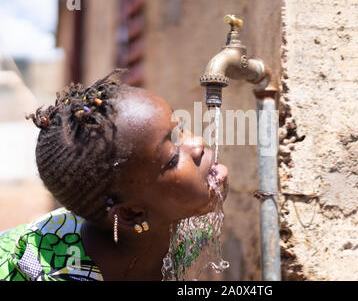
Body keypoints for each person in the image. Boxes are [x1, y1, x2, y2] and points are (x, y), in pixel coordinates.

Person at [0, 70, 229, 281]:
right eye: (172, 159)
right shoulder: (59, 274)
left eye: (180, 129)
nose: (198, 143)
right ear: (132, 213)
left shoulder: (186, 227)